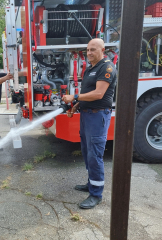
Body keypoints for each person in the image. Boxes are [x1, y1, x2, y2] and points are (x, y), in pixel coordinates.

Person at [62, 38, 117, 209]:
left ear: (103, 49)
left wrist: (75, 97)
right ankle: (91, 183)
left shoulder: (106, 67)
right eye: (87, 50)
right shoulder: (91, 68)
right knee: (87, 152)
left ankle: (96, 194)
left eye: (93, 49)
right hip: (87, 115)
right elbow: (88, 93)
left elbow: (99, 94)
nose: (89, 53)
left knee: (95, 155)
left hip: (97, 117)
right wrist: (76, 106)